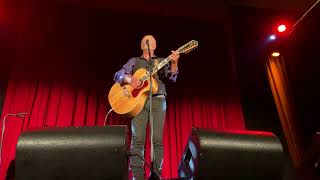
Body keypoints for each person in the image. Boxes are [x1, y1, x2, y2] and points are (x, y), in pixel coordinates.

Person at [113, 35, 180, 180]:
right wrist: (130, 79)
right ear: (141, 45)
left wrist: (174, 63)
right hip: (137, 103)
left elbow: (172, 78)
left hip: (158, 100)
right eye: (145, 40)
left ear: (155, 46)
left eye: (151, 40)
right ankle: (137, 176)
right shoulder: (134, 61)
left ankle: (156, 176)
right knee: (137, 140)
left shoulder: (161, 61)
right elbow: (118, 75)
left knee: (157, 140)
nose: (148, 41)